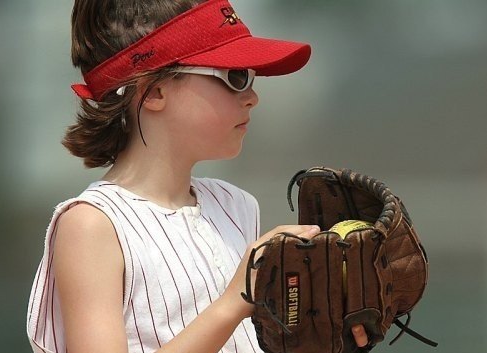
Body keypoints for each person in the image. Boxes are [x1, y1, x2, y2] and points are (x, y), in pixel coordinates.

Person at [25, 0, 369, 352]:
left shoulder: (236, 206)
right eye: (235, 77)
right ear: (154, 91)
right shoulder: (92, 225)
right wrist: (236, 299)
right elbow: (232, 305)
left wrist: (327, 330)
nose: (252, 97)